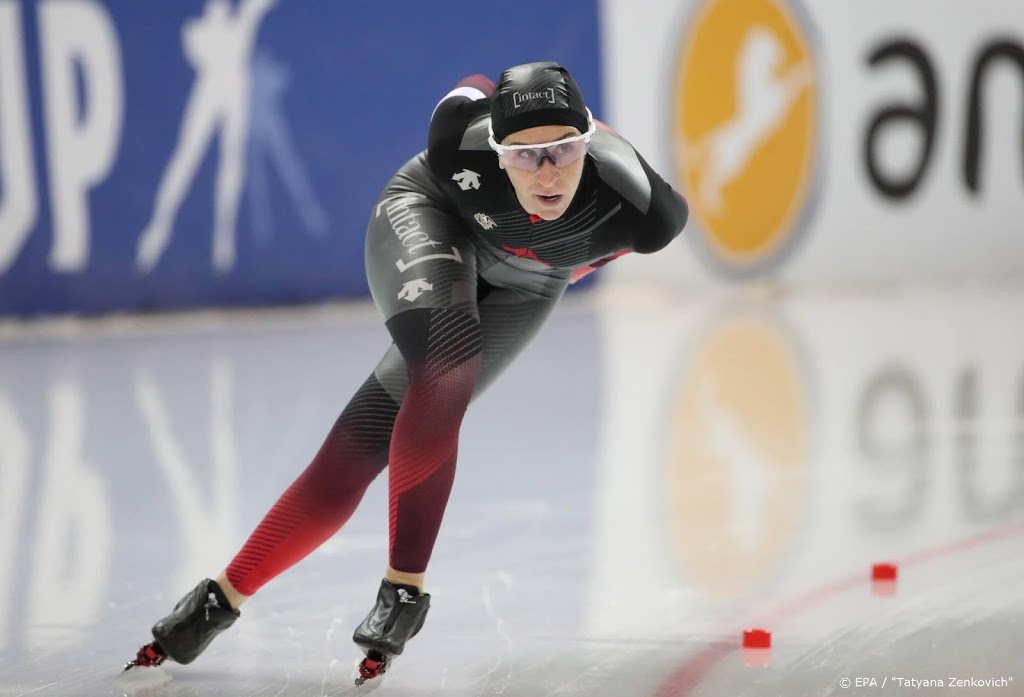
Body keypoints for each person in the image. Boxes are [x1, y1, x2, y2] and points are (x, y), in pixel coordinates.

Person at [125, 61, 688, 684]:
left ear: (587, 140)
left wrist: (564, 266)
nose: (548, 171)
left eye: (563, 149)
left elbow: (616, 240)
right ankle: (405, 591)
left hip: (533, 280)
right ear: (496, 150)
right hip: (432, 216)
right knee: (447, 361)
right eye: (525, 156)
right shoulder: (455, 140)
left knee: (364, 444)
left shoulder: (644, 207)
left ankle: (216, 600)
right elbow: (475, 83)